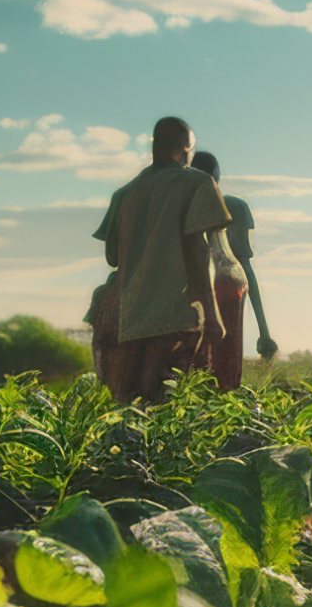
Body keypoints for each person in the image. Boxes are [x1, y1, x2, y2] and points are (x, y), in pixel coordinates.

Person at [92, 117, 228, 405]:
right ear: (184, 148)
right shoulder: (197, 183)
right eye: (190, 150)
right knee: (168, 402)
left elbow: (112, 257)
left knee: (132, 405)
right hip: (175, 316)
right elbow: (198, 252)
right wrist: (213, 315)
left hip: (130, 320)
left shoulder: (124, 194)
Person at [187, 151, 278, 390]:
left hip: (195, 293)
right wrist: (264, 332)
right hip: (220, 292)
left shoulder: (176, 207)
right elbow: (244, 266)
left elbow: (242, 264)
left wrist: (264, 332)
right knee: (221, 371)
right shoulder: (234, 206)